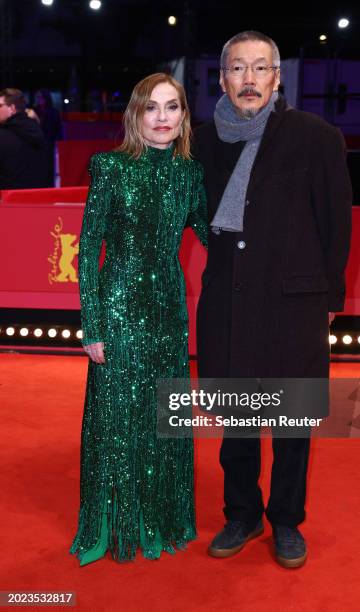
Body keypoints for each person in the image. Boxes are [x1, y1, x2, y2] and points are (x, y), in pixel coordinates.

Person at [192, 31, 352, 568]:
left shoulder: (314, 136)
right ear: (222, 78)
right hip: (228, 302)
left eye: (260, 69)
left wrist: (330, 294)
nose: (249, 80)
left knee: (290, 423)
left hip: (293, 304)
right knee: (236, 418)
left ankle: (286, 519)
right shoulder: (203, 141)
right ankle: (241, 513)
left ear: (277, 78)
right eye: (238, 69)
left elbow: (336, 221)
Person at [69, 73, 207, 566]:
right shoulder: (108, 167)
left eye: (173, 107)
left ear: (184, 116)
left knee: (163, 415)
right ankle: (119, 523)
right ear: (135, 115)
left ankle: (165, 518)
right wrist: (95, 324)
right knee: (120, 417)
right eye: (152, 107)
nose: (163, 117)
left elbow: (214, 235)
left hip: (169, 308)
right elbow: (87, 250)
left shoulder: (190, 174)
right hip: (120, 305)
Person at [0, 88, 48, 189]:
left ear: (12, 108)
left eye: (0, 106)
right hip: (36, 198)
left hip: (8, 200)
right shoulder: (37, 130)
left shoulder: (4, 135)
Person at [34, 89, 64, 186]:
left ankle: (49, 185)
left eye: (40, 98)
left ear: (46, 99)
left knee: (49, 167)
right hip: (37, 143)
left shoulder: (53, 112)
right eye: (37, 98)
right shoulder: (35, 111)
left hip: (49, 143)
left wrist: (57, 142)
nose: (38, 100)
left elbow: (58, 129)